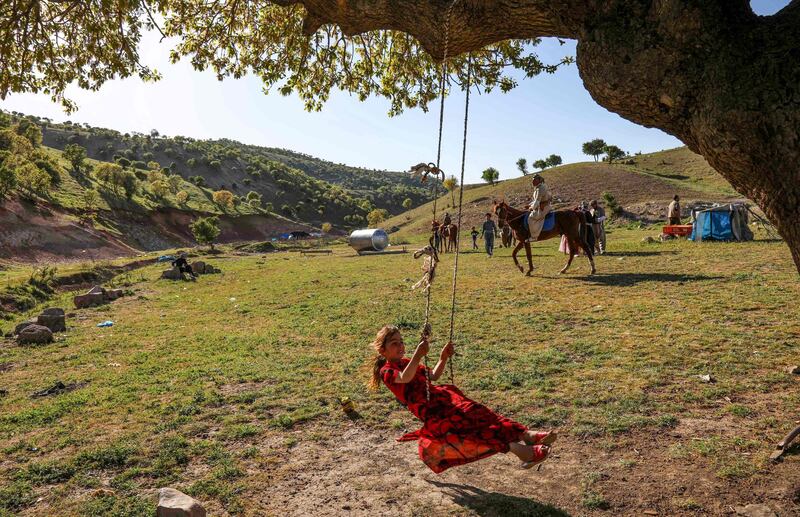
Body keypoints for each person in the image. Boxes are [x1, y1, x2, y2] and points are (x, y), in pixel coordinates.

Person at [370, 325, 556, 473]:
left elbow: (433, 376)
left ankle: (526, 435)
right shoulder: (387, 371)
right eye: (394, 343)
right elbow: (405, 378)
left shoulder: (407, 361)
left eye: (401, 341)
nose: (400, 346)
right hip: (434, 412)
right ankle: (523, 451)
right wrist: (418, 356)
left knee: (483, 415)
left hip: (446, 399)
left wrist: (442, 358)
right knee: (473, 430)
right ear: (383, 350)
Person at [526, 174, 552, 243]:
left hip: (544, 207)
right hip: (540, 206)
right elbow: (535, 201)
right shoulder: (538, 188)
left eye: (534, 180)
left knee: (531, 218)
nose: (532, 182)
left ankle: (534, 237)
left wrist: (531, 208)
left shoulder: (541, 188)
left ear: (539, 180)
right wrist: (529, 205)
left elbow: (537, 201)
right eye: (532, 180)